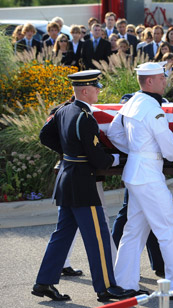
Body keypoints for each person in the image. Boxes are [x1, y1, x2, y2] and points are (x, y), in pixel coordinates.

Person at [34, 70, 135, 302]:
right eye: (96, 87)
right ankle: (106, 287)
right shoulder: (85, 117)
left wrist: (68, 152)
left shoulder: (63, 110)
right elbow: (97, 158)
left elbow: (44, 136)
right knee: (97, 236)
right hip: (81, 183)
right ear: (86, 90)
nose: (99, 91)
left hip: (67, 178)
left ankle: (44, 282)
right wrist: (116, 159)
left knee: (62, 234)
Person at [107, 62, 173, 299]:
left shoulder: (131, 103)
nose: (165, 80)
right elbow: (168, 145)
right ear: (149, 81)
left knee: (134, 230)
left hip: (135, 172)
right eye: (162, 77)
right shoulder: (152, 108)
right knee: (168, 227)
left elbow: (112, 133)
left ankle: (124, 282)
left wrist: (133, 149)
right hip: (148, 174)